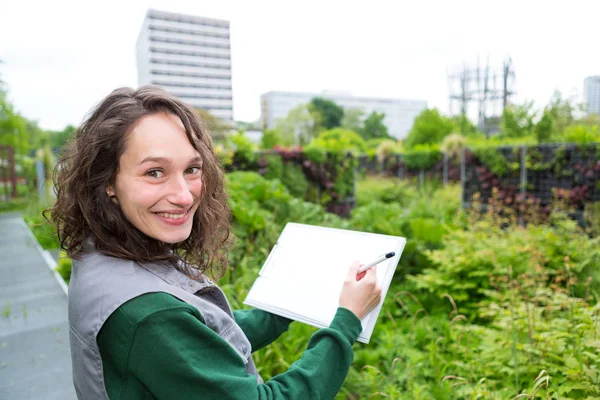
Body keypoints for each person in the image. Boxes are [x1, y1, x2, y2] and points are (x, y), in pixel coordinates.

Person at [50, 86, 382, 399]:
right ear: (108, 181)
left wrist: (286, 308)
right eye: (154, 172)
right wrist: (347, 322)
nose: (183, 195)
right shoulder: (149, 315)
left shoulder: (105, 254)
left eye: (192, 169)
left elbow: (203, 341)